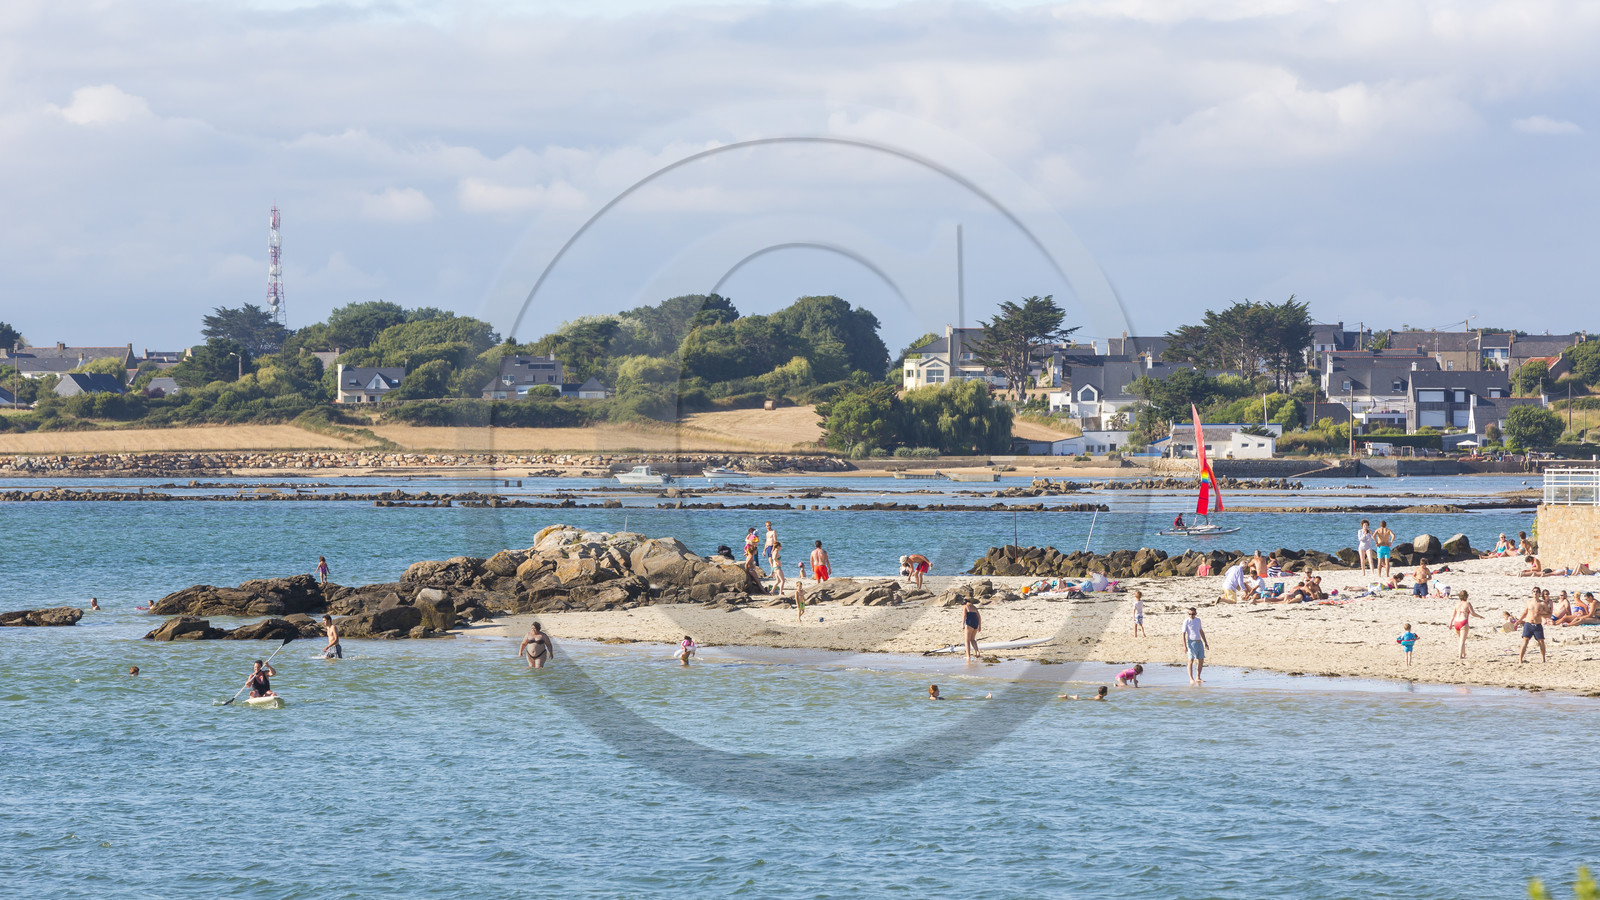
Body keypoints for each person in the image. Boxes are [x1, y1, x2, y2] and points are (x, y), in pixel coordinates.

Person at [1519, 590, 1551, 663]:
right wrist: (1519, 620)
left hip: (1537, 624)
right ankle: (1520, 660)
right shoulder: (1529, 602)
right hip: (1528, 623)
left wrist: (1541, 615)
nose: (1535, 593)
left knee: (1541, 642)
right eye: (1533, 591)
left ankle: (1543, 659)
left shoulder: (1542, 603)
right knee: (1525, 641)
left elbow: (1549, 614)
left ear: (1539, 594)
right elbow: (1525, 612)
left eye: (1537, 592)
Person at [1449, 591, 1482, 658]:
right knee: (1462, 640)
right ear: (1467, 596)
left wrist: (1450, 624)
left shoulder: (1457, 604)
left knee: (1461, 639)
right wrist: (1479, 616)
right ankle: (1460, 656)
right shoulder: (1467, 604)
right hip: (1463, 622)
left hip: (1456, 622)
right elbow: (1472, 613)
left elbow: (1453, 615)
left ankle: (1463, 654)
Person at [1182, 607, 1208, 685]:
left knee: (1201, 659)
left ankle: (1198, 677)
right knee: (1191, 660)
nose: (1191, 615)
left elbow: (1200, 630)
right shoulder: (1186, 621)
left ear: (1195, 614)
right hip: (1191, 642)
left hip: (1199, 641)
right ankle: (1191, 678)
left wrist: (1205, 642)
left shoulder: (1198, 620)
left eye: (1193, 614)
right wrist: (1184, 646)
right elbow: (1183, 633)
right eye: (1190, 614)